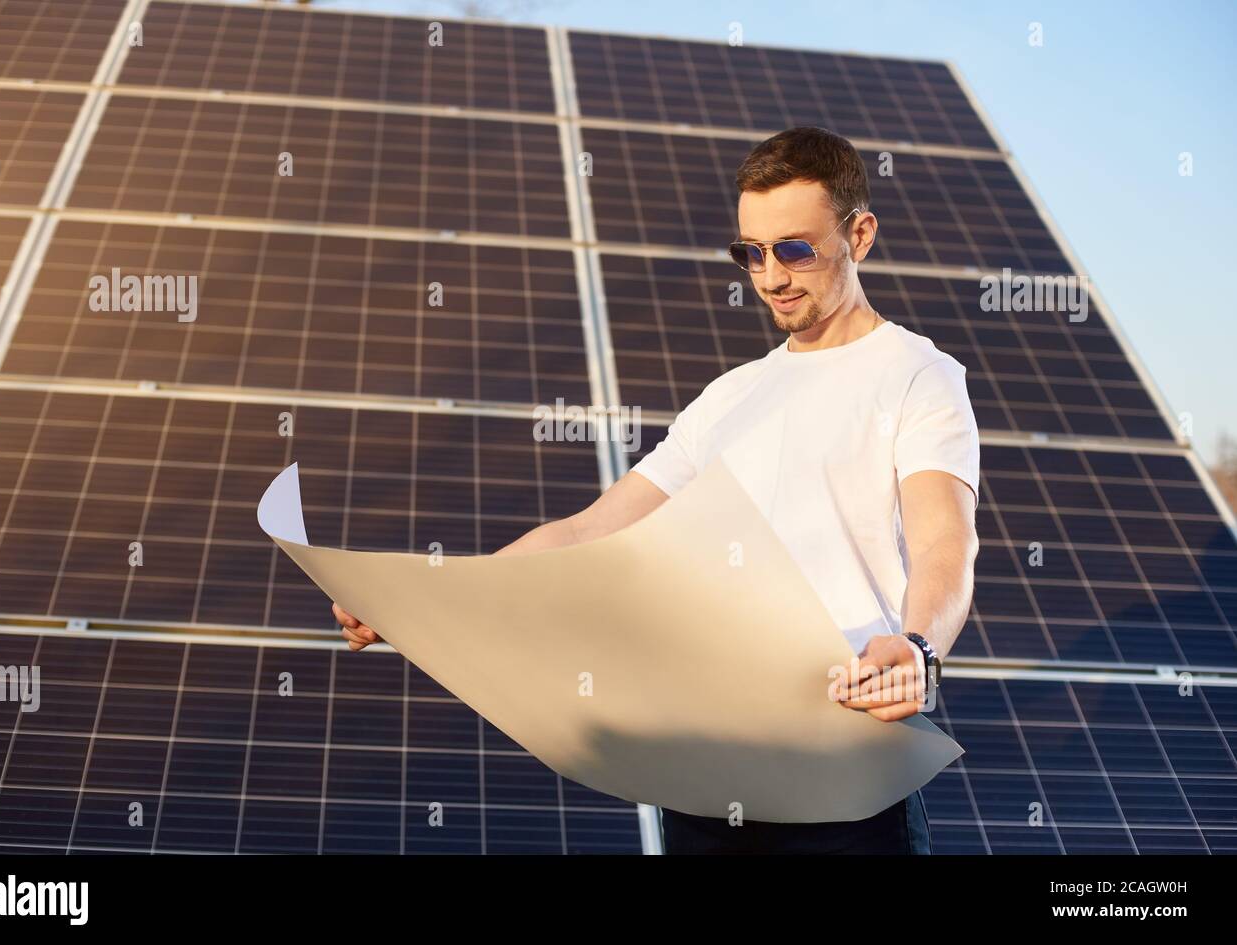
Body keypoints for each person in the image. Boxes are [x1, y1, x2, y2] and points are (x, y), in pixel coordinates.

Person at [334, 126, 980, 855]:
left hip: (849, 766)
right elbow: (591, 531)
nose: (771, 276)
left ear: (859, 234)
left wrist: (920, 648)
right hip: (707, 769)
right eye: (751, 253)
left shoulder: (919, 375)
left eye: (794, 248)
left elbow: (943, 543)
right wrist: (420, 597)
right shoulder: (730, 398)